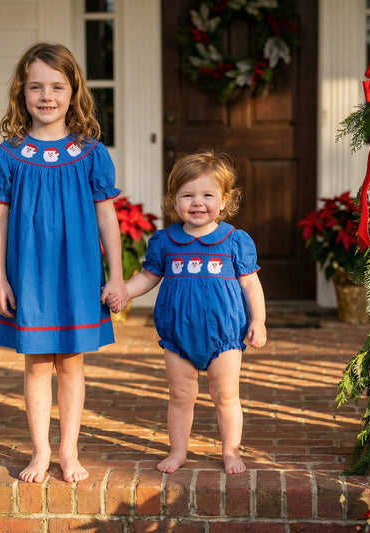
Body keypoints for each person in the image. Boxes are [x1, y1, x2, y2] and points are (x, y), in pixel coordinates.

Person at [0, 42, 128, 483]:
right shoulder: (7, 156)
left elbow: (107, 218)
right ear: (21, 93)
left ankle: (69, 450)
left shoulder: (91, 154)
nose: (46, 96)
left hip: (77, 273)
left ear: (73, 92)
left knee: (72, 364)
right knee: (37, 363)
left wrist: (117, 276)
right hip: (28, 275)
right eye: (36, 87)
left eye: (56, 86)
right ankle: (40, 452)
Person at [106, 151, 266, 475]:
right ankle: (178, 450)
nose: (197, 202)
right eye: (187, 195)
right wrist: (124, 289)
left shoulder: (235, 241)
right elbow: (149, 276)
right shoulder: (165, 241)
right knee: (180, 395)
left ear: (223, 201)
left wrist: (259, 320)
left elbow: (251, 285)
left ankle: (231, 452)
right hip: (178, 334)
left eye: (207, 195)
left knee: (226, 395)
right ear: (174, 200)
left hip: (225, 334)